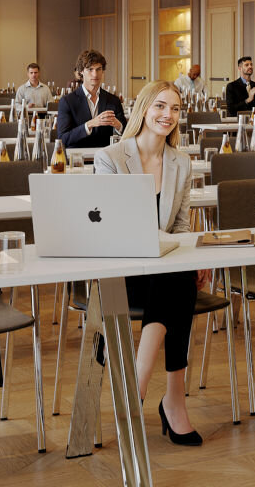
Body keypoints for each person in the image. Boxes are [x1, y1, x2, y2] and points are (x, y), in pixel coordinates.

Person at [91, 81, 205, 446]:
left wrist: (194, 254)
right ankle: (171, 399)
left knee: (178, 273)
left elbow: (183, 228)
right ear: (143, 109)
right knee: (176, 278)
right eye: (160, 106)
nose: (167, 115)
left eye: (174, 109)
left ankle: (138, 386)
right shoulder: (110, 157)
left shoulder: (181, 163)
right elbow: (108, 224)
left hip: (164, 271)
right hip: (122, 272)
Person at [55, 50, 127, 149]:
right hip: (77, 159)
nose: (95, 74)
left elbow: (128, 134)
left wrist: (119, 126)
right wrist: (89, 125)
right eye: (90, 69)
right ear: (81, 72)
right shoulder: (67, 101)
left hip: (105, 158)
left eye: (99, 69)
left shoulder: (114, 100)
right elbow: (63, 139)